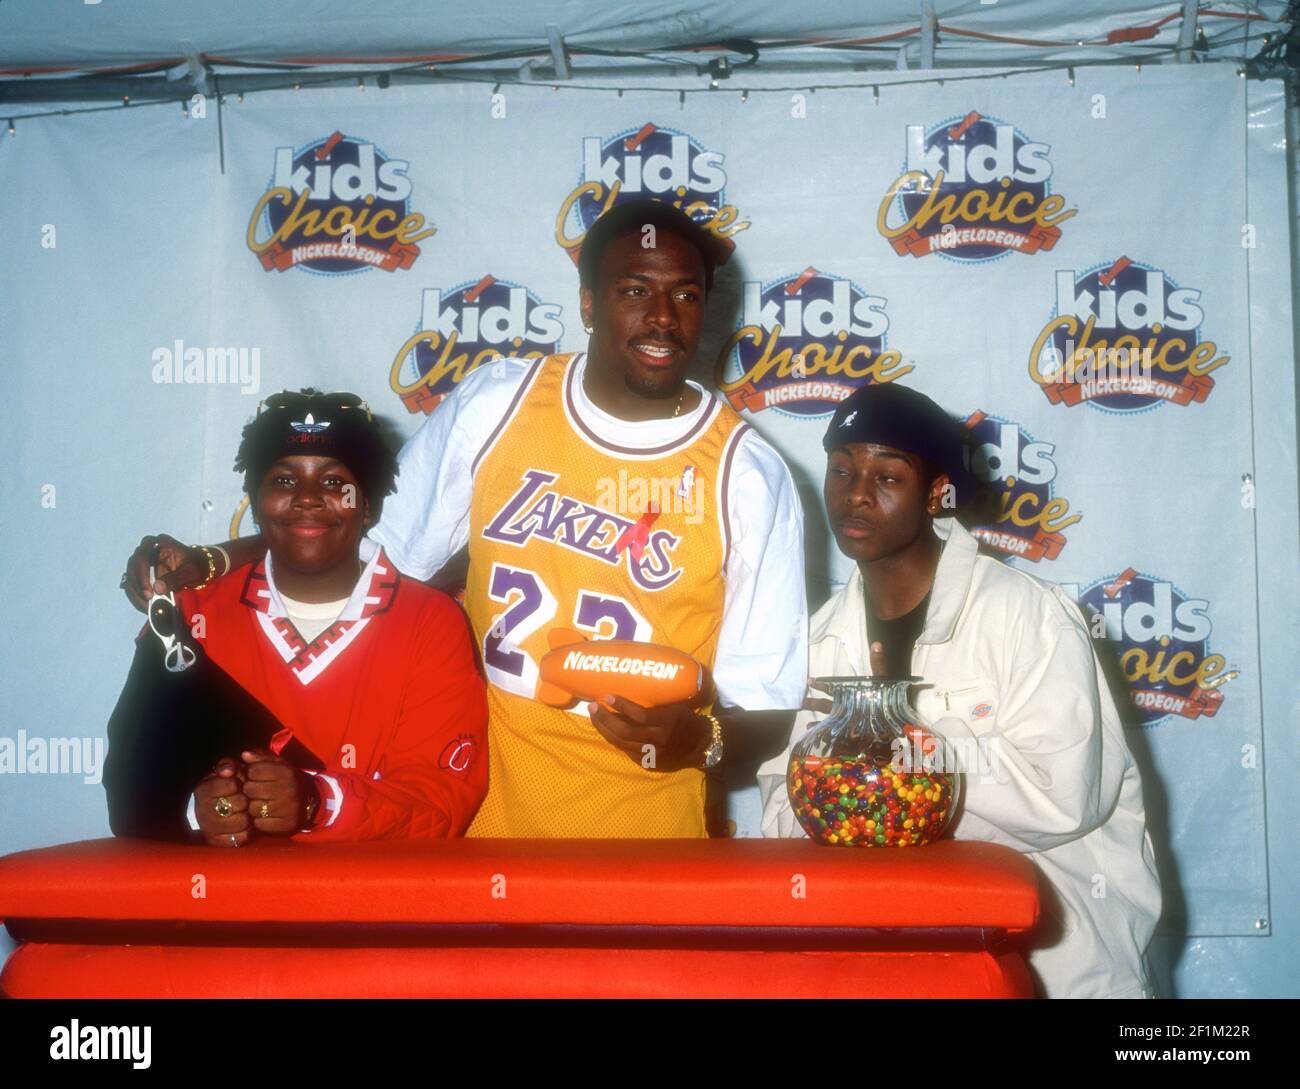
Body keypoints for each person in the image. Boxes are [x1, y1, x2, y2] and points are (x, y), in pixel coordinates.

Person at [123, 200, 807, 838]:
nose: (662, 317)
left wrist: (698, 740)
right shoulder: (499, 402)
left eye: (685, 294)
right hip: (482, 827)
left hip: (646, 835)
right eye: (635, 290)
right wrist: (215, 560)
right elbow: (368, 552)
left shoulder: (747, 474)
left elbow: (766, 705)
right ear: (590, 302)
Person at [757, 382, 1162, 999]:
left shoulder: (1027, 616)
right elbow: (783, 809)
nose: (856, 494)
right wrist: (840, 786)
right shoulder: (818, 639)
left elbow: (1064, 795)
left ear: (937, 494)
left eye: (888, 477)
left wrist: (902, 755)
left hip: (1055, 966)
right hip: (894, 967)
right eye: (842, 470)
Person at [110, 390, 488, 845]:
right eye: (284, 481)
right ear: (255, 501)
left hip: (371, 907)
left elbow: (440, 805)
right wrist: (199, 812)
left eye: (334, 483)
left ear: (367, 505)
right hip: (225, 907)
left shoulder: (431, 622)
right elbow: (133, 792)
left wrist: (317, 801)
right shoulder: (194, 612)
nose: (307, 499)